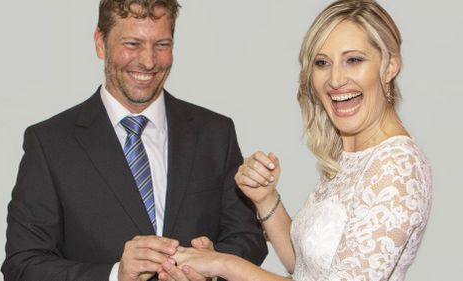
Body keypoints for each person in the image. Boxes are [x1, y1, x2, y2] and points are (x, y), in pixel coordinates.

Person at [159, 1, 432, 280]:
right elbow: (305, 268)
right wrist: (266, 199)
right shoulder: (355, 156)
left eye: (354, 60)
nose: (335, 79)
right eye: (322, 63)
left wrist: (226, 265)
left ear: (390, 66)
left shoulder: (396, 166)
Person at [1, 1, 268, 280]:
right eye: (132, 44)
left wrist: (215, 265)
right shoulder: (49, 143)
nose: (149, 61)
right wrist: (116, 275)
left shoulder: (216, 132)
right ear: (100, 43)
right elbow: (22, 265)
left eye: (162, 45)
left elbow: (248, 236)